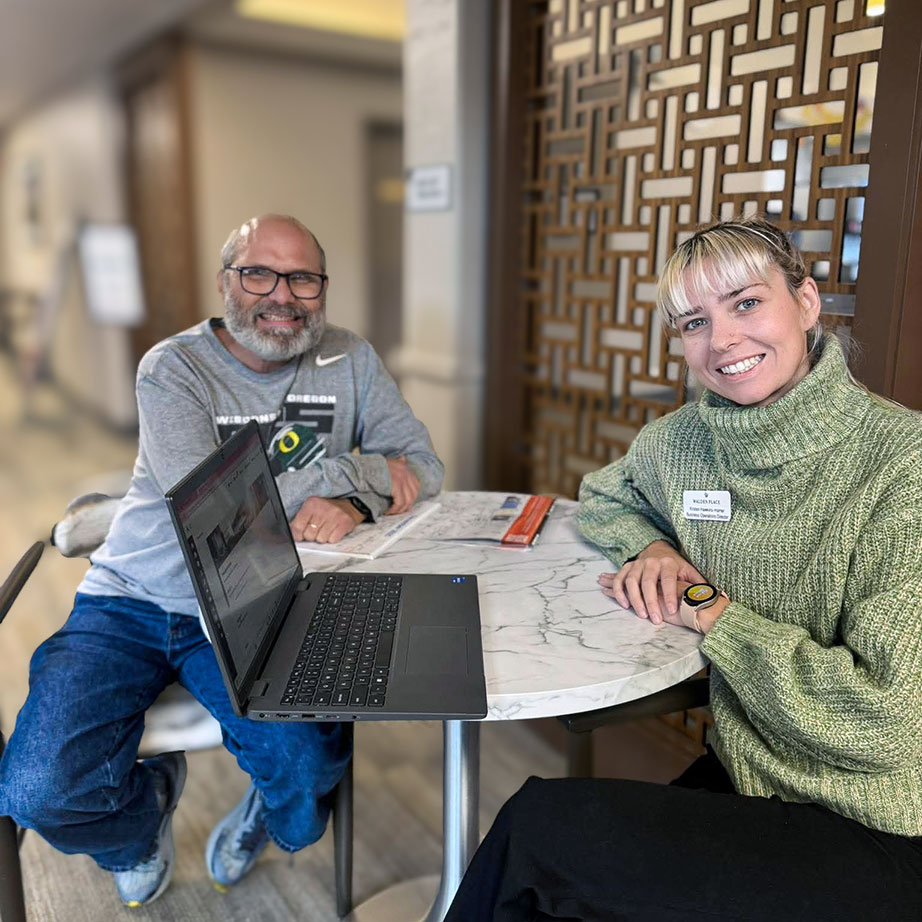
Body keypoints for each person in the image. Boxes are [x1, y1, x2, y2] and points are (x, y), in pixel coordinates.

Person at [444, 217, 922, 922]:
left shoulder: (900, 464)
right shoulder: (685, 442)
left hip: (878, 820)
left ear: (808, 302)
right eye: (693, 320)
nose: (722, 339)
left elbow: (889, 722)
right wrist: (654, 549)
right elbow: (605, 498)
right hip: (753, 774)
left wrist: (711, 611)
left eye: (747, 302)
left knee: (537, 835)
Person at [0, 213, 444, 906]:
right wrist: (358, 470)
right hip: (135, 596)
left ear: (322, 287)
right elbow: (216, 507)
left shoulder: (350, 360)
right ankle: (141, 820)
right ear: (225, 282)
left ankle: (263, 811)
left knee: (303, 788)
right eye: (259, 273)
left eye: (303, 277)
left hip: (259, 600)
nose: (282, 295)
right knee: (38, 789)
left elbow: (424, 467)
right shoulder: (173, 368)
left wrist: (354, 506)